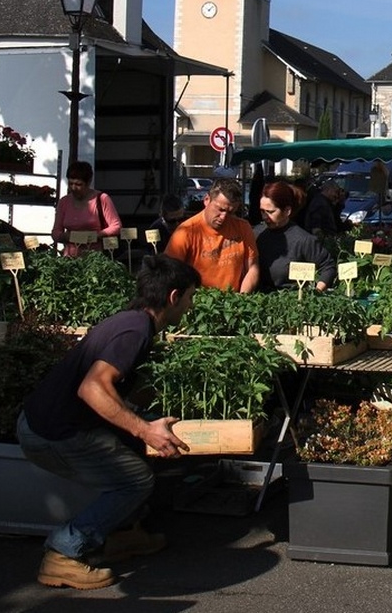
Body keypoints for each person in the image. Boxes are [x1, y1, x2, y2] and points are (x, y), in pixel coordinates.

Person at [16, 255, 201, 590]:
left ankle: (121, 535)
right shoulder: (136, 330)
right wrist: (146, 430)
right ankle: (63, 553)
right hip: (53, 434)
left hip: (47, 422)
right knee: (134, 481)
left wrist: (141, 423)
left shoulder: (132, 321)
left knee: (131, 445)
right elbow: (92, 388)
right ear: (174, 297)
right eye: (190, 296)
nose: (191, 305)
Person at [163, 179, 260, 291]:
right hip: (199, 301)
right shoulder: (186, 231)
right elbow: (169, 273)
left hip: (233, 301)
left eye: (230, 212)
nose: (223, 217)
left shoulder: (243, 227)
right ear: (206, 200)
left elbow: (252, 268)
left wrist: (242, 299)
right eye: (220, 209)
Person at [254, 181, 337, 292]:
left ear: (287, 211)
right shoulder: (256, 233)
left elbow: (328, 267)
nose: (265, 217)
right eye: (262, 211)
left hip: (287, 301)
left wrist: (316, 293)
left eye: (270, 212)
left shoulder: (304, 240)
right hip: (256, 300)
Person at [51, 161, 122, 258]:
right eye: (70, 183)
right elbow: (55, 232)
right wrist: (65, 236)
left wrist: (96, 236)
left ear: (88, 182)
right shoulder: (64, 202)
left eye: (78, 184)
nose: (73, 188)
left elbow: (116, 226)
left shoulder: (102, 199)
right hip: (70, 257)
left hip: (96, 257)